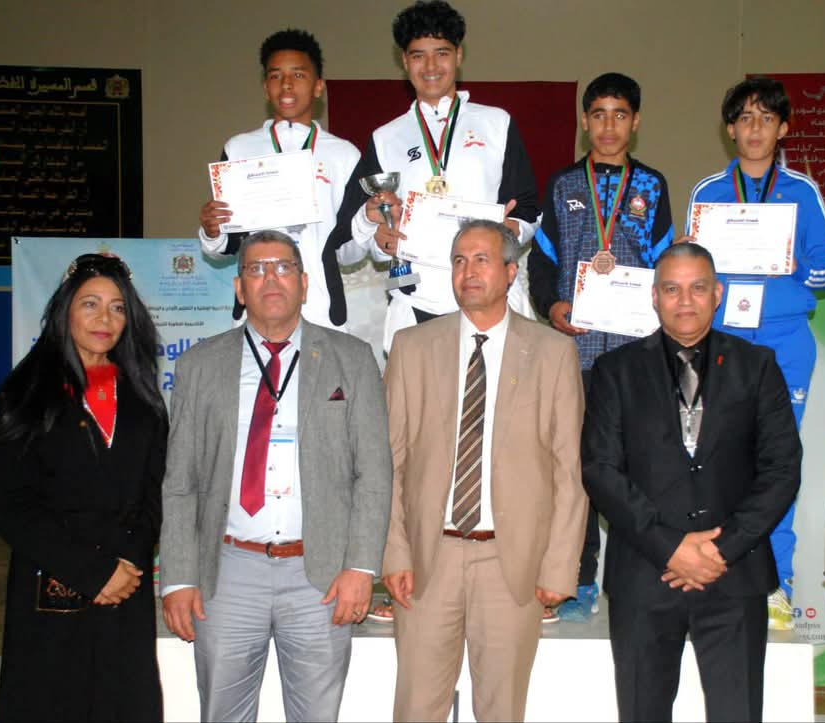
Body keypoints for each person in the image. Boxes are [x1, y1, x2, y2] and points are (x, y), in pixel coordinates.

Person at [158, 230, 392, 722]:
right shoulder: (200, 365)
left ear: (305, 284)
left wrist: (362, 568)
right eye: (256, 268)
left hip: (321, 575)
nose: (271, 279)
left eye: (283, 267)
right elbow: (180, 481)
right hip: (227, 572)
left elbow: (373, 472)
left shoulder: (352, 359)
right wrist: (178, 576)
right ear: (239, 287)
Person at [582, 242, 802, 722]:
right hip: (645, 575)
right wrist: (670, 548)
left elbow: (782, 467)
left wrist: (721, 550)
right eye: (672, 289)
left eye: (698, 288)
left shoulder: (757, 366)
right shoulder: (614, 372)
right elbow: (600, 469)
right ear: (654, 296)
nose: (685, 300)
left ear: (717, 294)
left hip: (734, 576)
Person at [382, 219, 588, 721]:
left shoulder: (554, 352)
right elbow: (389, 462)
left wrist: (559, 567)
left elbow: (568, 470)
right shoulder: (412, 347)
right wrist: (394, 553)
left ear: (511, 271)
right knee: (415, 709)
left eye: (481, 260)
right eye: (458, 260)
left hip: (512, 565)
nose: (468, 272)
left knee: (501, 711)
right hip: (428, 562)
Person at [683, 76, 825, 630]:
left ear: (784, 127)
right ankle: (714, 569)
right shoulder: (707, 192)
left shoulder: (801, 191)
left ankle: (776, 582)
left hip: (783, 341)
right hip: (723, 340)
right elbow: (691, 271)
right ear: (730, 130)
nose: (755, 129)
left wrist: (790, 266)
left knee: (777, 461)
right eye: (745, 119)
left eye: (766, 118)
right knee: (712, 455)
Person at [0, 253, 167, 721]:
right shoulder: (23, 393)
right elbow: (11, 506)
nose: (105, 319)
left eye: (118, 307)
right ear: (65, 310)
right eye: (90, 304)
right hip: (53, 589)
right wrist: (92, 572)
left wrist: (127, 561)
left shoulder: (144, 397)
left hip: (126, 589)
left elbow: (154, 493)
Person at [528, 71, 673, 622]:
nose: (608, 126)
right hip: (578, 350)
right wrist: (553, 306)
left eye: (620, 115)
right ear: (584, 120)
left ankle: (639, 576)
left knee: (639, 465)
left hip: (637, 351)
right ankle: (579, 577)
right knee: (582, 465)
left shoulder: (654, 185)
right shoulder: (564, 184)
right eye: (598, 114)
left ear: (635, 122)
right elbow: (543, 259)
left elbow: (664, 263)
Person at [333, 0, 540, 353]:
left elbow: (529, 207)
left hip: (489, 299)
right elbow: (350, 244)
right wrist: (377, 235)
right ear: (404, 62)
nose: (431, 66)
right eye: (418, 55)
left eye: (441, 53)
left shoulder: (496, 123)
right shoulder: (385, 138)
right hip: (417, 304)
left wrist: (511, 229)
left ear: (459, 55)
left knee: (498, 407)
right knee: (420, 409)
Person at [198, 29, 364, 328]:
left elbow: (350, 253)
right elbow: (228, 244)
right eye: (276, 76)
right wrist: (212, 230)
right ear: (265, 87)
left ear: (318, 86)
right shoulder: (238, 148)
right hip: (255, 311)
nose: (286, 84)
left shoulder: (344, 155)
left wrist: (369, 225)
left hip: (321, 312)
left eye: (298, 75)